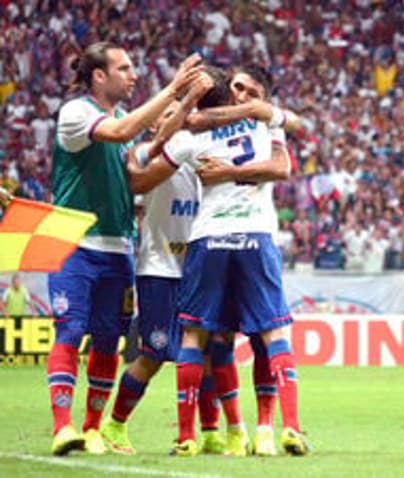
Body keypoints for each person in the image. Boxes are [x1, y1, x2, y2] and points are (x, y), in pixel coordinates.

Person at [100, 66, 290, 456]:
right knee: (153, 353)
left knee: (216, 349)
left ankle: (217, 431)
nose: (169, 121)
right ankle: (115, 424)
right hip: (161, 267)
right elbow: (136, 181)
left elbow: (273, 160)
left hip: (203, 262)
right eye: (166, 116)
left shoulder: (211, 145)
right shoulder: (158, 152)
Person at [45, 40, 202, 457]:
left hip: (118, 248)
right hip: (72, 240)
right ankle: (63, 427)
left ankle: (94, 429)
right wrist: (172, 90)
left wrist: (186, 101)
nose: (133, 74)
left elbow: (138, 153)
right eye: (125, 68)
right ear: (100, 76)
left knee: (107, 340)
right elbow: (120, 132)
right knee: (71, 329)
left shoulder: (124, 124)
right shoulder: (78, 113)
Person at [165, 64, 310, 457]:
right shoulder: (264, 125)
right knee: (257, 336)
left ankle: (274, 430)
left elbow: (282, 166)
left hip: (215, 239)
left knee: (216, 336)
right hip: (246, 238)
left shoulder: (209, 129)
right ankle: (205, 433)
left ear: (262, 95)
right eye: (236, 87)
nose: (240, 94)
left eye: (249, 90)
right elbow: (284, 157)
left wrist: (227, 171)